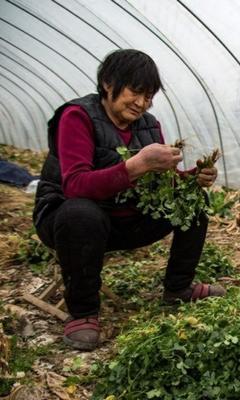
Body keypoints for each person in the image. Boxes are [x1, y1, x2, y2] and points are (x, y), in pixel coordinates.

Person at [33, 49, 225, 351]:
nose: (141, 103)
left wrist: (192, 178)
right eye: (135, 92)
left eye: (149, 97)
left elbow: (161, 183)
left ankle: (178, 288)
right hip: (66, 222)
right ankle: (83, 312)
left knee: (192, 203)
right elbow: (75, 185)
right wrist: (138, 164)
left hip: (122, 218)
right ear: (109, 83)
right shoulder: (77, 117)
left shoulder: (148, 125)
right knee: (81, 212)